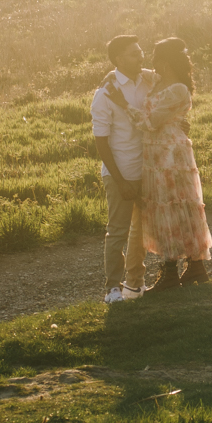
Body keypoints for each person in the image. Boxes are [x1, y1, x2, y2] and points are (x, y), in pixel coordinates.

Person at [105, 34, 212, 292]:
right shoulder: (159, 80)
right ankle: (188, 268)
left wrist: (121, 103)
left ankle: (176, 269)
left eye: (155, 58)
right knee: (167, 209)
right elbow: (129, 70)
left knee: (174, 208)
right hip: (156, 155)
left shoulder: (177, 89)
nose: (150, 63)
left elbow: (149, 123)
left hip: (170, 156)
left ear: (165, 62)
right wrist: (111, 74)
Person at [91, 34, 154, 303]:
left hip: (148, 168)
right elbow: (101, 142)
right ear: (119, 59)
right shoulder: (105, 93)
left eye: (141, 51)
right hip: (121, 171)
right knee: (117, 230)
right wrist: (119, 180)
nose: (140, 56)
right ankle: (112, 288)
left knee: (142, 230)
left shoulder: (148, 80)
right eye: (133, 53)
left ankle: (135, 284)